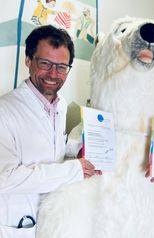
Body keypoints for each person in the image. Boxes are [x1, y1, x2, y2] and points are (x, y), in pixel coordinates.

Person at [0, 25, 100, 238]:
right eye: (45, 63)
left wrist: (78, 144)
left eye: (62, 66)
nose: (54, 74)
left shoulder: (60, 104)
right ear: (29, 60)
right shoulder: (4, 111)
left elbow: (46, 150)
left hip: (52, 222)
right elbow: (4, 179)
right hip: (16, 225)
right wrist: (74, 170)